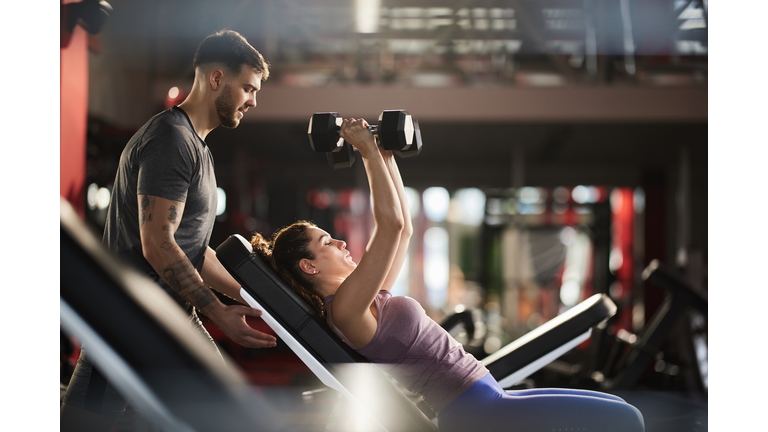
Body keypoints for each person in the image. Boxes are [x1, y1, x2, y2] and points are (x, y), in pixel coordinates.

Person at [250, 118, 645, 432]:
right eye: (326, 242)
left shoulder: (365, 297)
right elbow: (386, 228)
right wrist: (366, 151)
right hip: (477, 411)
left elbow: (401, 228)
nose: (339, 242)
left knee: (622, 411)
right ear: (309, 266)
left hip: (486, 399)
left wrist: (385, 156)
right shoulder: (346, 310)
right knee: (628, 422)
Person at [61, 30, 277, 432]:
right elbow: (158, 244)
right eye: (248, 87)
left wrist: (262, 301)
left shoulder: (199, 149)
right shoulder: (171, 140)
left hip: (170, 314)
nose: (253, 100)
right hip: (130, 319)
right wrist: (218, 313)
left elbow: (196, 251)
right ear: (216, 79)